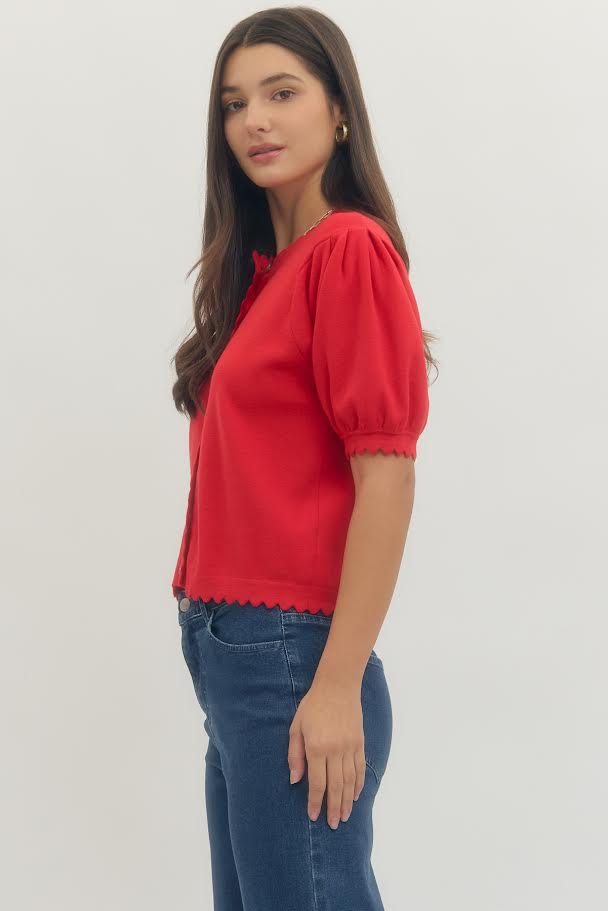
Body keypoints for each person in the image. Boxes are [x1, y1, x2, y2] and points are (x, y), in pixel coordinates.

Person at [170, 7, 437, 910]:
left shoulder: (348, 251)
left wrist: (335, 685)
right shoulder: (258, 278)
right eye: (234, 103)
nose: (255, 120)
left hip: (291, 657)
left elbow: (387, 474)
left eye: (282, 93)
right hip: (231, 656)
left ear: (340, 111)